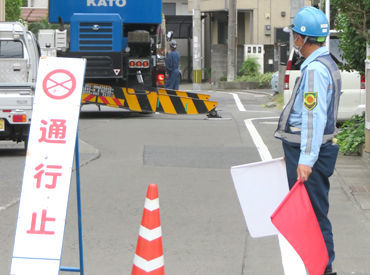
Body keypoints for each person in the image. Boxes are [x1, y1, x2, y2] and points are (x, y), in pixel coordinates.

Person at [274, 7, 341, 275]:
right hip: (313, 152)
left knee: (313, 217)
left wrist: (305, 159)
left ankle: (323, 269)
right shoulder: (327, 63)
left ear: (303, 38)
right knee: (313, 215)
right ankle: (318, 267)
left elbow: (313, 118)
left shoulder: (314, 70)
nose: (293, 40)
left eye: (295, 35)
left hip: (310, 155)